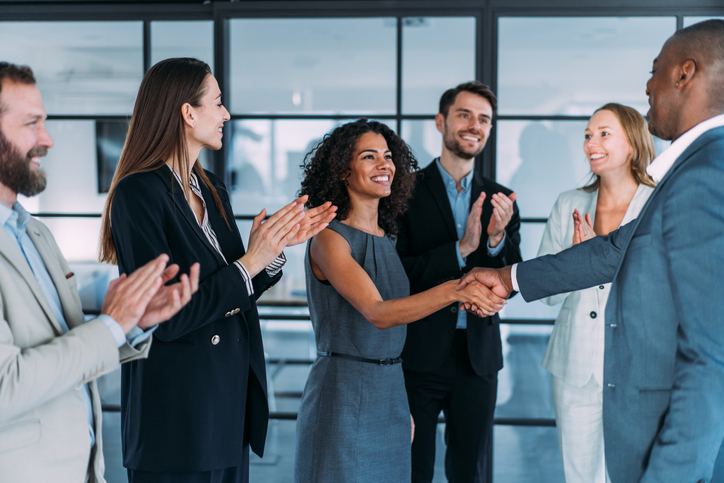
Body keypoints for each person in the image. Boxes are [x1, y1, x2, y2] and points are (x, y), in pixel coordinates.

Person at [458, 19, 724, 483]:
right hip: (581, 370)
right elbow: (613, 251)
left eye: (655, 70)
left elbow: (712, 357)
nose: (647, 84)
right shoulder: (692, 168)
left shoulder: (704, 171)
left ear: (686, 74)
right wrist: (506, 278)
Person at [98, 58, 336, 483]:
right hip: (176, 417)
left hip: (226, 404)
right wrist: (250, 262)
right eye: (218, 103)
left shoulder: (212, 189)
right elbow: (167, 316)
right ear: (188, 113)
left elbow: (232, 287)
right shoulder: (137, 193)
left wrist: (274, 249)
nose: (226, 114)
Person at [0, 62, 198, 482]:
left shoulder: (33, 233)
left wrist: (131, 324)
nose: (47, 139)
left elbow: (74, 351)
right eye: (32, 124)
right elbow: (6, 386)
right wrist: (110, 326)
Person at [294, 119, 506, 483]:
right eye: (369, 156)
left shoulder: (387, 237)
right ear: (344, 170)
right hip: (343, 392)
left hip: (391, 390)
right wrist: (456, 290)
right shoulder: (329, 240)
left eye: (388, 156)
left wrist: (399, 403)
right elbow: (378, 313)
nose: (385, 165)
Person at [395, 81, 521, 482]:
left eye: (483, 119)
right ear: (440, 121)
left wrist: (498, 239)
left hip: (478, 357)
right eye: (464, 114)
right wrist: (461, 249)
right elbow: (398, 274)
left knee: (471, 471)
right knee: (413, 469)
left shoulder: (502, 198)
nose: (475, 125)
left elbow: (514, 277)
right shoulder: (405, 193)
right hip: (419, 353)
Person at [537, 103, 656, 483]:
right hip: (575, 365)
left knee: (637, 472)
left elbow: (663, 288)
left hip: (639, 364)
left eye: (605, 133)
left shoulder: (657, 203)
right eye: (588, 135)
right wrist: (575, 261)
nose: (592, 142)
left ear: (634, 143)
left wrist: (596, 258)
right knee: (580, 475)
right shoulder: (568, 203)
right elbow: (547, 293)